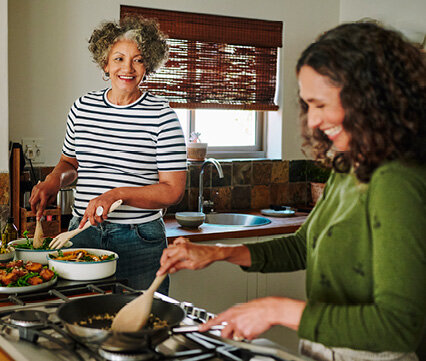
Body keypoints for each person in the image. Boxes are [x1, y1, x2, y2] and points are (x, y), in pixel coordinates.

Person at [158, 21, 425, 360]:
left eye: (321, 104)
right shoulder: (350, 167)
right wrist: (220, 253)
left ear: (371, 98)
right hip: (322, 347)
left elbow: (399, 325)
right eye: (307, 104)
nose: (312, 120)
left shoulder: (397, 181)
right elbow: (303, 246)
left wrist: (275, 310)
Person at [29, 16, 187, 294]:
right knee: (81, 318)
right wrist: (54, 181)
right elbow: (70, 162)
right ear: (105, 63)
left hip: (138, 239)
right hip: (82, 232)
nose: (127, 68)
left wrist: (118, 194)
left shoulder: (163, 117)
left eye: (137, 60)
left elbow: (173, 190)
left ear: (147, 65)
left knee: (141, 327)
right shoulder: (83, 107)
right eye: (118, 59)